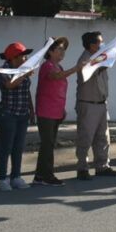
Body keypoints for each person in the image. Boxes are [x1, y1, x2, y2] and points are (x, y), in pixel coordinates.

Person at [74, 31, 116, 180]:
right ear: (92, 45)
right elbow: (99, 66)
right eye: (100, 42)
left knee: (103, 137)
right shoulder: (85, 59)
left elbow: (104, 63)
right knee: (85, 138)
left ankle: (102, 166)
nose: (102, 44)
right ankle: (82, 168)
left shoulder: (98, 57)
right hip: (88, 104)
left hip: (101, 103)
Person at [34, 37, 81, 185]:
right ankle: (47, 175)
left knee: (49, 144)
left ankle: (40, 176)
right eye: (59, 49)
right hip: (46, 111)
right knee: (47, 144)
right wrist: (75, 69)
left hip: (55, 111)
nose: (62, 52)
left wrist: (62, 109)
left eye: (63, 49)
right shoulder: (47, 66)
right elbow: (54, 78)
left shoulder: (58, 66)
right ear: (50, 51)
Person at [0, 42, 35, 192]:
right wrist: (24, 74)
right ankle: (2, 179)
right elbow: (10, 85)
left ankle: (16, 177)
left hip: (22, 114)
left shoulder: (23, 69)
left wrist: (31, 109)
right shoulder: (3, 69)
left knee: (18, 147)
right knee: (6, 147)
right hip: (7, 114)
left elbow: (26, 90)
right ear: (14, 58)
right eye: (23, 55)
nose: (26, 58)